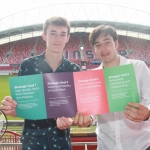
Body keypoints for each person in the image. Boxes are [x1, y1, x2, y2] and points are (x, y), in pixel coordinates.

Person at [59, 25, 150, 150]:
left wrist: (148, 112)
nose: (103, 48)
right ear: (94, 49)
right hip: (106, 145)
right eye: (98, 45)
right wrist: (87, 119)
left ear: (116, 44)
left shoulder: (138, 67)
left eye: (107, 42)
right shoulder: (92, 77)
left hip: (141, 145)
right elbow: (92, 111)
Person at [0, 16, 81, 150]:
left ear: (67, 38)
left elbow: (77, 110)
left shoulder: (74, 70)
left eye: (62, 34)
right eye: (53, 33)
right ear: (44, 35)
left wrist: (70, 120)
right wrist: (12, 108)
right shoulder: (28, 65)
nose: (57, 39)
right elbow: (20, 108)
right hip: (32, 142)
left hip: (62, 143)